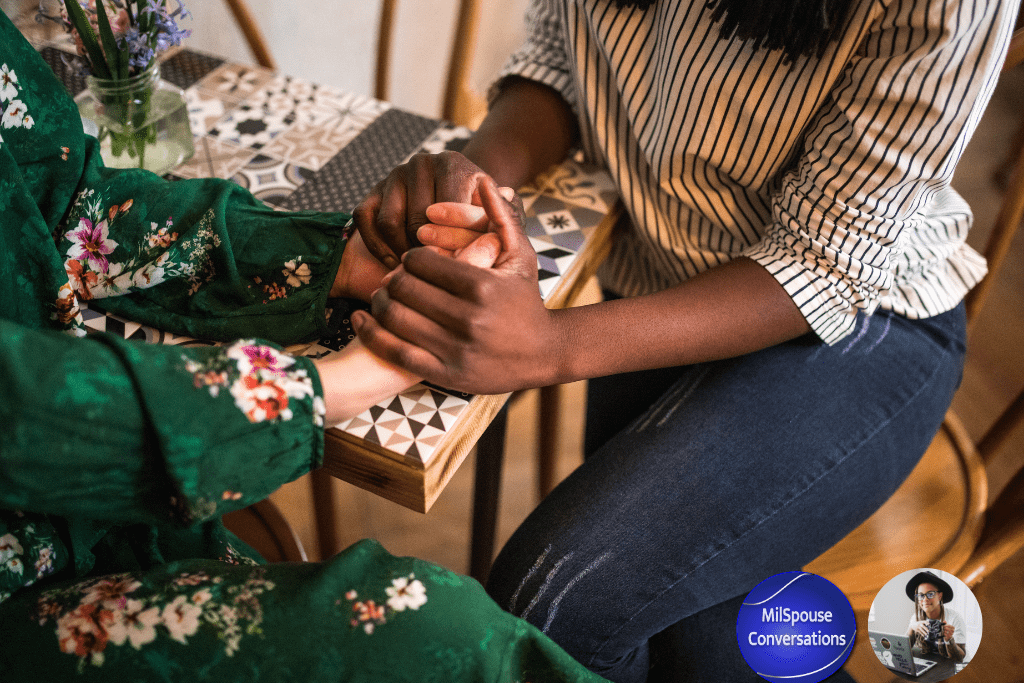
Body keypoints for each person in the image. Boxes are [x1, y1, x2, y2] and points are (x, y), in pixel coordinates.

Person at [351, 0, 1020, 680]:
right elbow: (560, 63)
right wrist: (478, 175)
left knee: (555, 606)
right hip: (656, 296)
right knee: (680, 625)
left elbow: (822, 262)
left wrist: (547, 346)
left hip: (860, 325)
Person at [0, 12, 614, 682]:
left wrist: (340, 262)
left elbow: (72, 205)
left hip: (91, 520)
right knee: (435, 630)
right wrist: (337, 379)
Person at [905, 571, 966, 662]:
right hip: (927, 663)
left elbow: (959, 658)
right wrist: (912, 627)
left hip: (948, 666)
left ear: (940, 596)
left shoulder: (954, 618)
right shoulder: (916, 617)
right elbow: (904, 649)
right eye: (921, 595)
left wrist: (949, 640)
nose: (925, 599)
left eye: (930, 594)